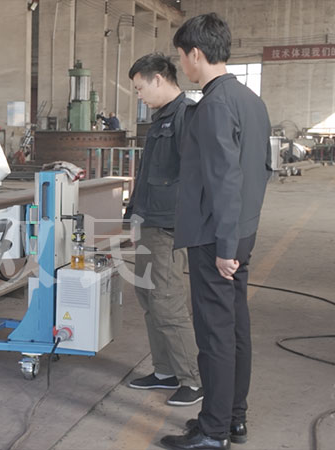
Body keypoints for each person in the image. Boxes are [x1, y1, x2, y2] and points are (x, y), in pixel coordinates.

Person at [160, 13, 272, 450]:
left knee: (214, 333)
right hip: (241, 231)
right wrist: (239, 237)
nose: (182, 65)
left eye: (181, 56)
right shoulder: (251, 101)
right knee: (236, 326)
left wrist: (225, 246)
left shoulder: (212, 106)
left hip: (215, 237)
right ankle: (232, 419)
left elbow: (225, 180)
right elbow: (260, 171)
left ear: (196, 54)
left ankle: (212, 431)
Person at [124, 53, 202, 407]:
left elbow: (196, 175)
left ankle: (192, 379)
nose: (139, 96)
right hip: (149, 221)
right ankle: (165, 370)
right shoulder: (160, 120)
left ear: (158, 79)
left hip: (168, 225)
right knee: (149, 299)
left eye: (140, 88)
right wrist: (133, 215)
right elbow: (147, 176)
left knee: (167, 302)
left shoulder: (187, 116)